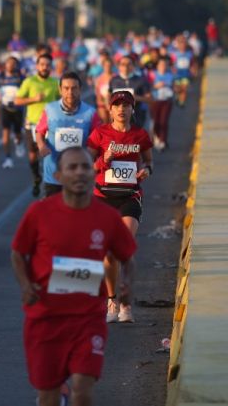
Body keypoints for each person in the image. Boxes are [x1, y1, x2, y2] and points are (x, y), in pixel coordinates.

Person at [11, 146, 136, 406]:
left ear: (94, 172)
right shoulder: (39, 213)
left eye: (85, 167)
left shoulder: (107, 217)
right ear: (58, 175)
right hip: (45, 318)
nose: (79, 172)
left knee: (82, 389)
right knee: (49, 395)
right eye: (72, 167)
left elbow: (127, 257)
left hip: (88, 318)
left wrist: (126, 286)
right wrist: (25, 285)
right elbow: (18, 252)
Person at [86, 90, 153, 324]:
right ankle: (112, 300)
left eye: (126, 105)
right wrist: (104, 160)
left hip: (130, 196)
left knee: (121, 247)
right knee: (108, 254)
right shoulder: (100, 133)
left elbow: (149, 162)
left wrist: (146, 171)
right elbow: (88, 166)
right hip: (103, 197)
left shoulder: (140, 135)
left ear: (132, 109)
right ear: (111, 109)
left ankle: (125, 303)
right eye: (117, 105)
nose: (121, 109)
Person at [35, 72, 101, 197]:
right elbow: (39, 131)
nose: (70, 92)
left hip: (79, 174)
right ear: (60, 90)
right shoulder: (50, 109)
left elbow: (98, 140)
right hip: (54, 173)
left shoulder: (91, 113)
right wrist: (41, 146)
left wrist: (91, 156)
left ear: (80, 90)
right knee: (54, 214)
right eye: (66, 88)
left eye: (74, 88)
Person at [15, 54, 60, 197]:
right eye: (42, 64)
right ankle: (36, 177)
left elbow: (61, 102)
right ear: (37, 66)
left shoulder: (55, 82)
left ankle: (50, 183)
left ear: (51, 67)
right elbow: (17, 101)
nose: (45, 67)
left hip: (50, 125)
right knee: (33, 155)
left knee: (49, 154)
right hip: (32, 124)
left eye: (47, 65)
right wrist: (34, 99)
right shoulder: (29, 81)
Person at [0, 56, 26, 169]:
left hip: (18, 108)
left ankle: (19, 143)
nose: (11, 65)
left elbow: (26, 90)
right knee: (5, 133)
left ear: (16, 65)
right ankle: (8, 158)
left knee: (17, 133)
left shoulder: (20, 77)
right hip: (5, 108)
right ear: (5, 64)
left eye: (13, 63)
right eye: (9, 63)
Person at [108, 54, 151, 128]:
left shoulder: (141, 80)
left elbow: (150, 99)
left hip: (136, 116)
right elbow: (109, 96)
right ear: (119, 66)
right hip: (118, 119)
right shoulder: (114, 80)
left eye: (129, 64)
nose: (125, 67)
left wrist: (136, 97)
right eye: (123, 64)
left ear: (133, 66)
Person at [150, 57, 175, 150]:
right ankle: (156, 138)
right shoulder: (153, 75)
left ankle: (163, 141)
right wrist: (155, 86)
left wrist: (173, 89)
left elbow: (174, 86)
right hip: (155, 100)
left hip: (167, 100)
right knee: (156, 122)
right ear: (157, 66)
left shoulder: (170, 75)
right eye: (161, 65)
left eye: (165, 65)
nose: (163, 67)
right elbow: (148, 87)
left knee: (164, 121)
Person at [171, 35, 195, 107]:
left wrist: (193, 70)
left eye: (184, 44)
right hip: (177, 73)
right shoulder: (174, 54)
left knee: (185, 88)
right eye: (181, 45)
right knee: (178, 88)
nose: (182, 46)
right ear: (178, 45)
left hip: (186, 73)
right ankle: (177, 97)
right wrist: (172, 69)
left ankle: (181, 102)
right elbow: (171, 63)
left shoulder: (189, 54)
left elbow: (192, 63)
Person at [93, 57, 115, 124]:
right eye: (106, 65)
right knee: (104, 123)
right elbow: (98, 95)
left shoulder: (116, 78)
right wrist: (104, 104)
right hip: (102, 105)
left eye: (110, 65)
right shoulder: (99, 79)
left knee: (113, 123)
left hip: (113, 104)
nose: (108, 67)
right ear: (103, 66)